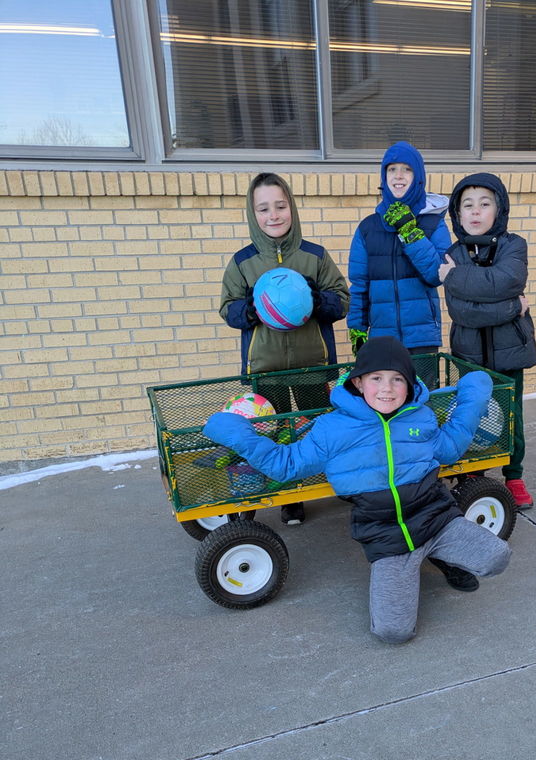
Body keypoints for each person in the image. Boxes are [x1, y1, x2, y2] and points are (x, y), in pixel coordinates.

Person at [203, 336, 510, 644]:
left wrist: (473, 395)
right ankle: (416, 565)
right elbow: (287, 464)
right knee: (393, 632)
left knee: (498, 557)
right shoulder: (332, 429)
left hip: (438, 520)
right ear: (359, 383)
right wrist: (237, 434)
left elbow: (450, 447)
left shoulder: (421, 416)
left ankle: (441, 556)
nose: (387, 388)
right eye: (376, 378)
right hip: (388, 539)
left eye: (397, 379)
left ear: (409, 385)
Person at [219, 171, 350, 525]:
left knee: (317, 428)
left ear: (291, 207)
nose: (273, 215)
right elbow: (227, 308)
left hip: (312, 364)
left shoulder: (315, 256)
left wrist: (316, 299)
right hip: (266, 367)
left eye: (280, 206)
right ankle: (290, 496)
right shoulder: (243, 262)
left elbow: (341, 300)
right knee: (274, 433)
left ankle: (333, 480)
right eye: (263, 209)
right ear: (253, 214)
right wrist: (250, 309)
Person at [439, 172, 536, 509]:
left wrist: (458, 279)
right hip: (469, 352)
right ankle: (474, 472)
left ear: (499, 210)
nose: (475, 211)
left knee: (511, 414)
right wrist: (512, 307)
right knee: (473, 412)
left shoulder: (514, 246)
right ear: (458, 213)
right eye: (467, 205)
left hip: (509, 351)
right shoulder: (453, 252)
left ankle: (514, 475)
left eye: (485, 204)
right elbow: (463, 311)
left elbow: (507, 280)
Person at [347, 141, 450, 375]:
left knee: (422, 395)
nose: (399, 175)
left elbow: (437, 274)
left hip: (422, 337)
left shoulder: (433, 222)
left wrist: (410, 232)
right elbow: (360, 285)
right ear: (384, 176)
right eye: (392, 169)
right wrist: (357, 328)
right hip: (382, 338)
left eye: (407, 169)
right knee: (386, 395)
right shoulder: (367, 228)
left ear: (418, 176)